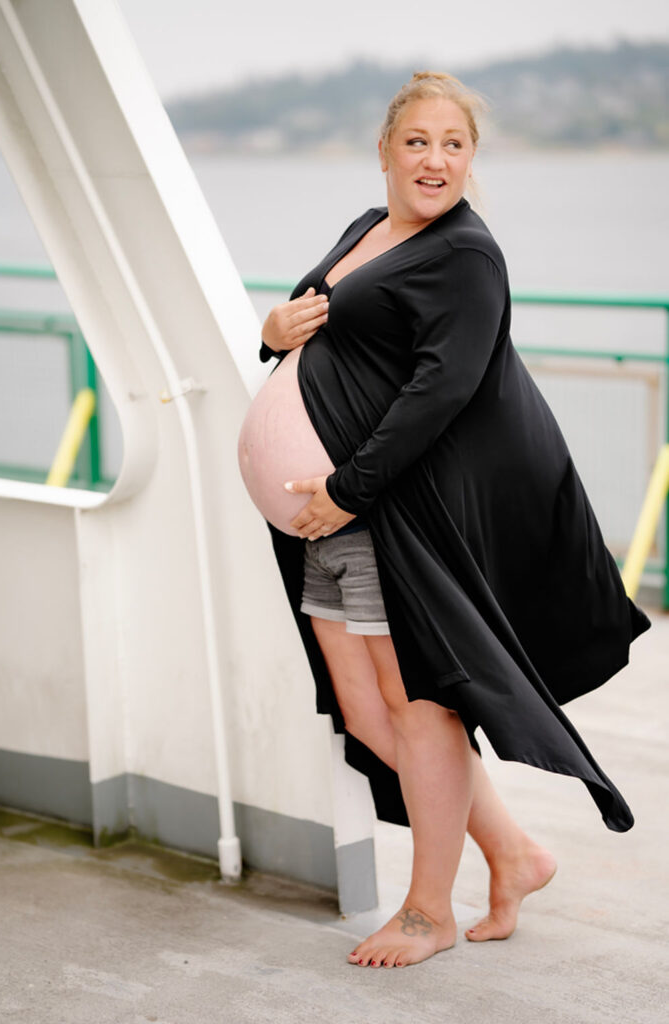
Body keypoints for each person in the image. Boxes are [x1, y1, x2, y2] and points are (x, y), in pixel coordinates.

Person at [240, 71, 650, 969]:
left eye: (452, 144)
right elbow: (325, 328)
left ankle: (427, 911)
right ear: (385, 150)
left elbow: (441, 391)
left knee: (419, 704)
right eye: (417, 142)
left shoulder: (465, 255)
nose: (434, 159)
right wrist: (269, 334)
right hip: (330, 518)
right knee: (364, 708)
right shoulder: (368, 227)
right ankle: (513, 853)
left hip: (386, 513)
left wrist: (347, 488)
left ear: (471, 158)